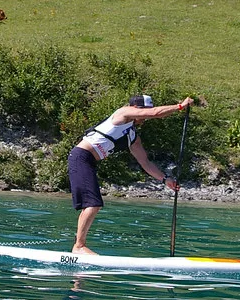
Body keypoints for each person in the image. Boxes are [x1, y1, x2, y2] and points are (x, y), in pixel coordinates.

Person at [67, 94, 194, 254]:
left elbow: (145, 163)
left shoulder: (132, 136)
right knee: (93, 204)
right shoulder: (122, 114)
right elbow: (155, 113)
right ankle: (79, 247)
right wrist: (180, 106)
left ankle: (79, 246)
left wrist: (165, 179)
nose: (144, 118)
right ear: (135, 108)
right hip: (80, 157)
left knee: (93, 205)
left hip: (89, 162)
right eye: (143, 112)